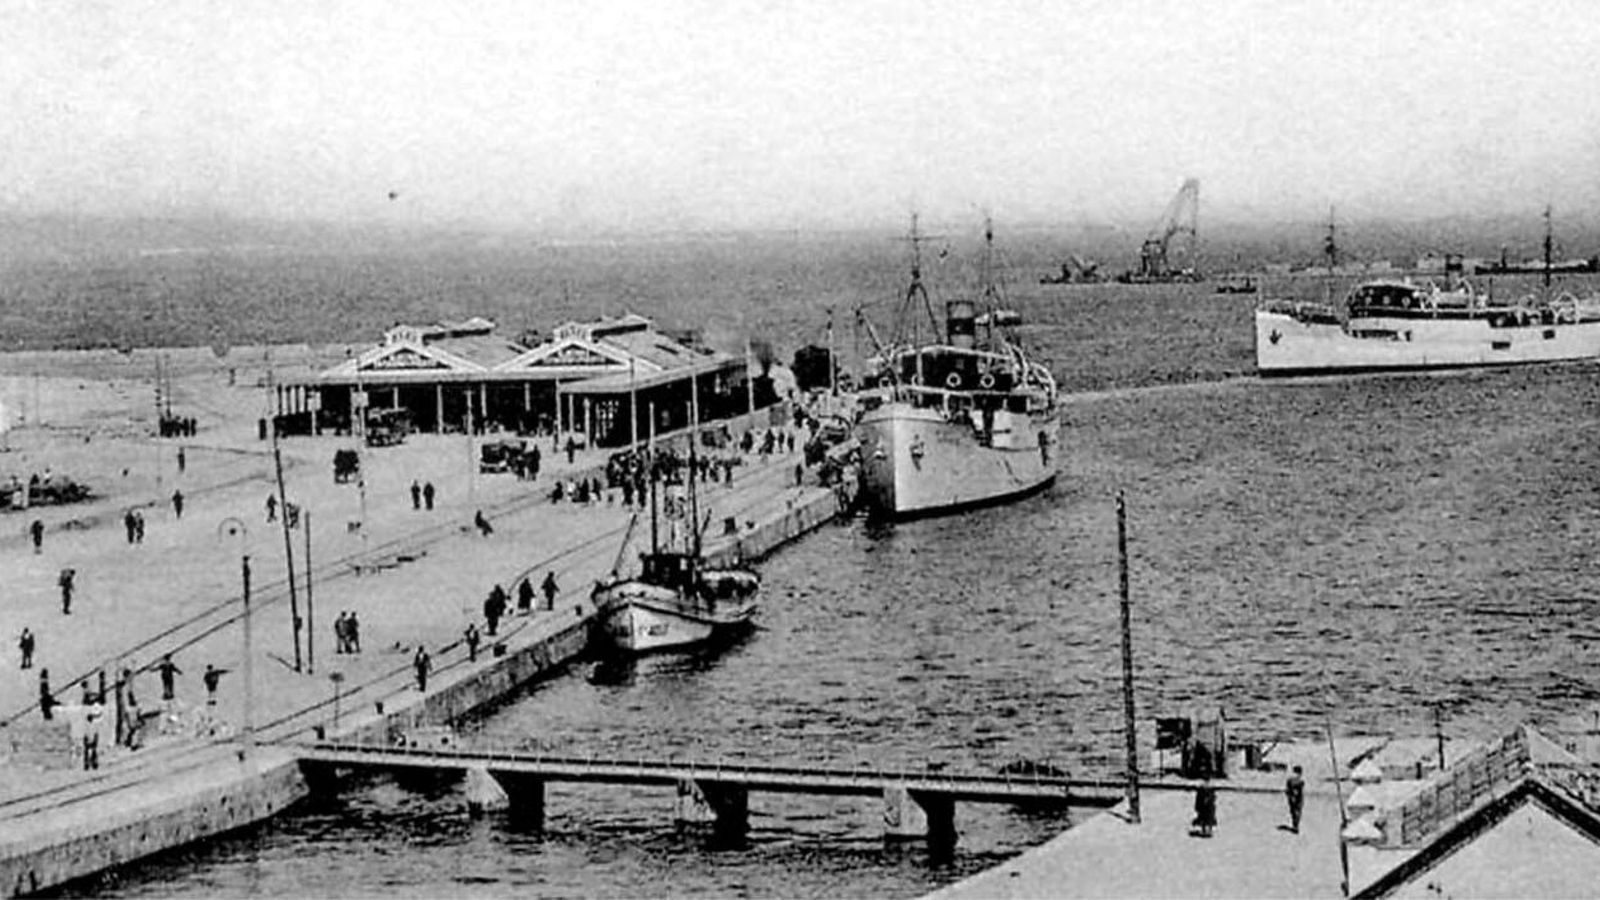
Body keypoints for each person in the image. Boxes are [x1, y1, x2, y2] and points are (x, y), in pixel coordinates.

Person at [1286, 765, 1305, 834]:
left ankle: (1295, 825)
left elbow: (1288, 789)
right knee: (1296, 811)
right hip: (1296, 797)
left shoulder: (1294, 780)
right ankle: (1295, 825)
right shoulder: (1299, 780)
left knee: (1295, 811)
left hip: (1296, 797)